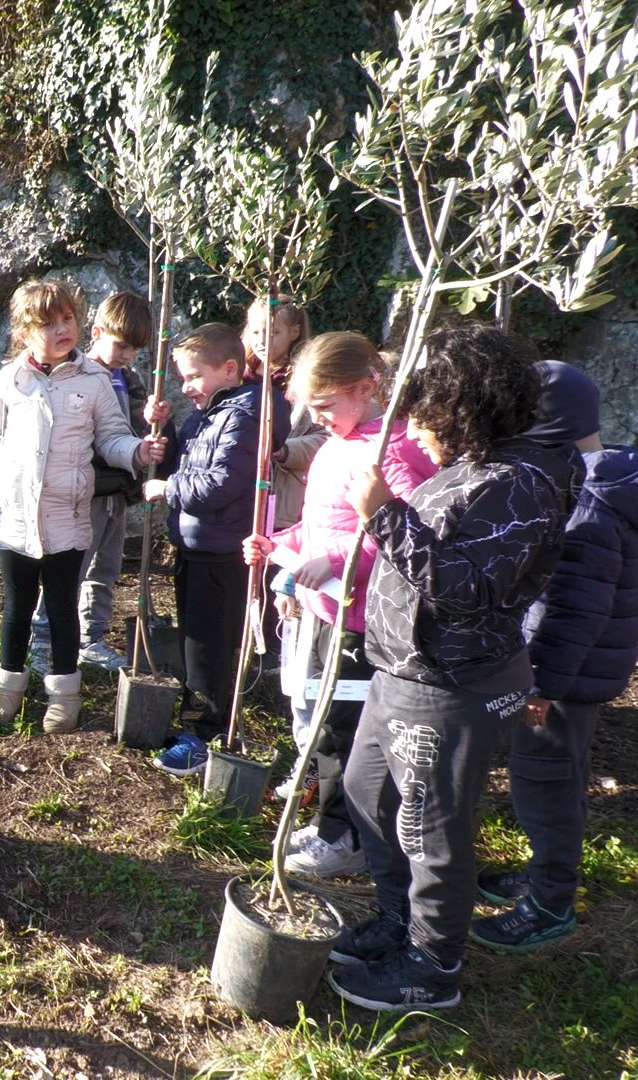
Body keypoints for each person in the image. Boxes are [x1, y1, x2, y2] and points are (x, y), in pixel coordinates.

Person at [326, 323, 581, 1012]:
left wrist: (384, 516)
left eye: (426, 413)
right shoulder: (480, 468)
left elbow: (467, 587)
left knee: (432, 826)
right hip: (403, 673)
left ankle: (432, 966)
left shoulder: (519, 483)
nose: (414, 427)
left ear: (465, 405)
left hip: (449, 684)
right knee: (368, 795)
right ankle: (399, 920)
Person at [471, 361, 638, 951]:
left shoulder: (585, 505)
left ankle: (550, 901)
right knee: (557, 777)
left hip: (561, 678)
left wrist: (539, 686)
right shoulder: (600, 482)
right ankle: (545, 871)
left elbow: (570, 613)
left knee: (545, 782)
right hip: (573, 673)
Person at [242, 332, 438, 879]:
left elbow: (406, 533)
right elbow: (329, 523)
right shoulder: (338, 444)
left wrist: (330, 558)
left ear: (365, 387)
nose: (317, 417)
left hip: (364, 619)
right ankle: (334, 823)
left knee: (344, 729)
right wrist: (283, 542)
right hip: (327, 612)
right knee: (325, 719)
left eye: (325, 405)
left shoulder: (394, 450)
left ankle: (349, 836)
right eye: (310, 407)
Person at [0, 278, 165, 733]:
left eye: (67, 318)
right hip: (15, 520)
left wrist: (136, 451)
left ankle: (63, 695)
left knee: (64, 607)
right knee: (16, 608)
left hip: (69, 518)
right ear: (25, 333)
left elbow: (110, 435)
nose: (61, 329)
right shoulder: (10, 380)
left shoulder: (93, 380)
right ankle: (8, 688)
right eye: (48, 323)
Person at [141, 322, 289, 774]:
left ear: (229, 368)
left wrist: (167, 488)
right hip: (196, 544)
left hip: (222, 550)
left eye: (193, 377)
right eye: (182, 379)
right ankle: (200, 722)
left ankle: (204, 736)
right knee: (195, 642)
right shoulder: (211, 411)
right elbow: (187, 461)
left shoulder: (247, 414)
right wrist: (163, 433)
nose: (186, 388)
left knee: (207, 648)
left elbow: (220, 484)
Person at [27, 290, 155, 674]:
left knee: (106, 569)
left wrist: (151, 419)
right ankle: (41, 642)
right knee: (71, 571)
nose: (127, 355)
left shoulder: (128, 380)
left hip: (120, 492)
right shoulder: (80, 377)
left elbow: (130, 432)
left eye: (134, 349)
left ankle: (91, 639)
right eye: (121, 345)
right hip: (88, 493)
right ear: (96, 332)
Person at [242, 297, 323, 533]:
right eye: (255, 332)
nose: (262, 341)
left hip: (282, 490)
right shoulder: (238, 376)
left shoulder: (306, 381)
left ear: (294, 332)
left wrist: (285, 450)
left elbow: (324, 438)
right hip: (239, 489)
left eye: (273, 332)